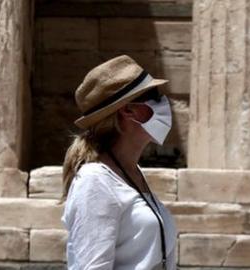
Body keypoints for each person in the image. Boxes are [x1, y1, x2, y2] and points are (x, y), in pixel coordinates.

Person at [59, 55, 178, 270]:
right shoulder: (95, 181)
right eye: (153, 96)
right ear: (128, 110)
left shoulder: (133, 172)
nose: (163, 102)